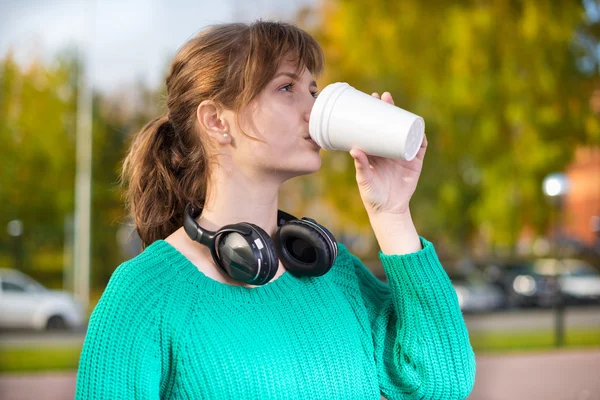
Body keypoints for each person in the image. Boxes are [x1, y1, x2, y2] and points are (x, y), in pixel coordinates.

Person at [75, 20, 476, 399]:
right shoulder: (146, 295)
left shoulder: (335, 273)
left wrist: (392, 214)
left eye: (314, 91)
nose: (314, 109)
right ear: (216, 121)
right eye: (287, 88)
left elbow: (441, 382)